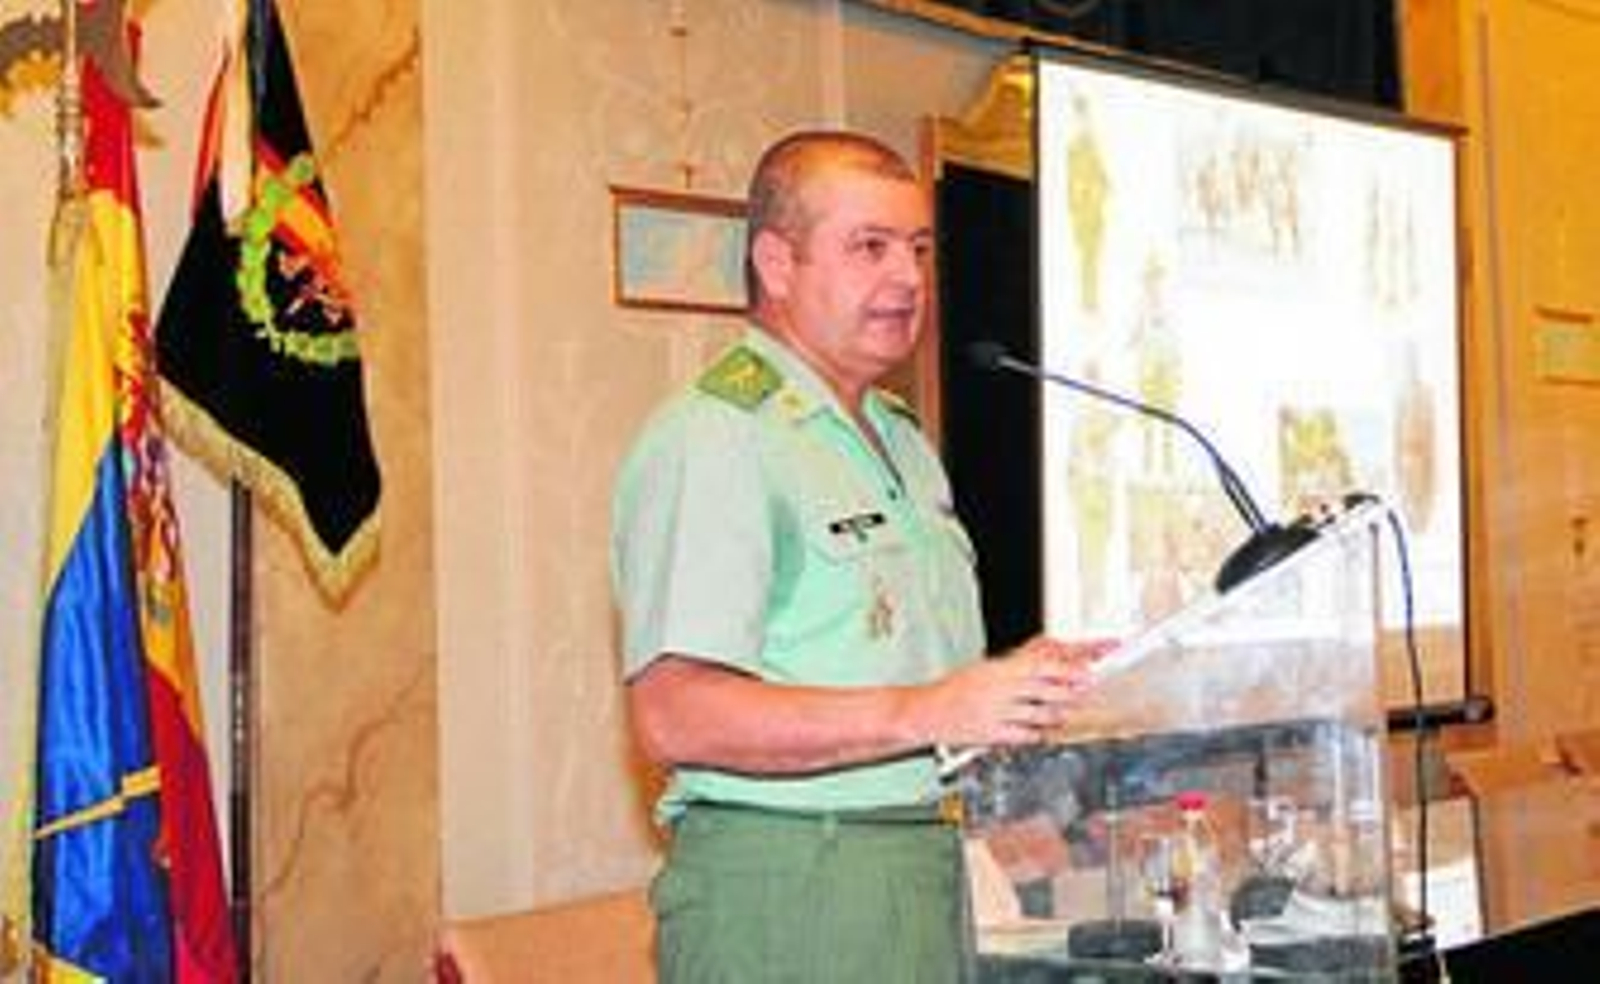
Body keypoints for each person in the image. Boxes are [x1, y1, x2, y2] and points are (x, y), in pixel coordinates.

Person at [611, 129, 1096, 983]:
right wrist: (928, 709)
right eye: (869, 248)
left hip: (921, 865)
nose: (908, 279)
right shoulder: (720, 437)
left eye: (917, 249)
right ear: (776, 261)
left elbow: (893, 663)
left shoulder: (900, 442)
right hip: (797, 884)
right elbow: (675, 715)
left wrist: (1014, 686)